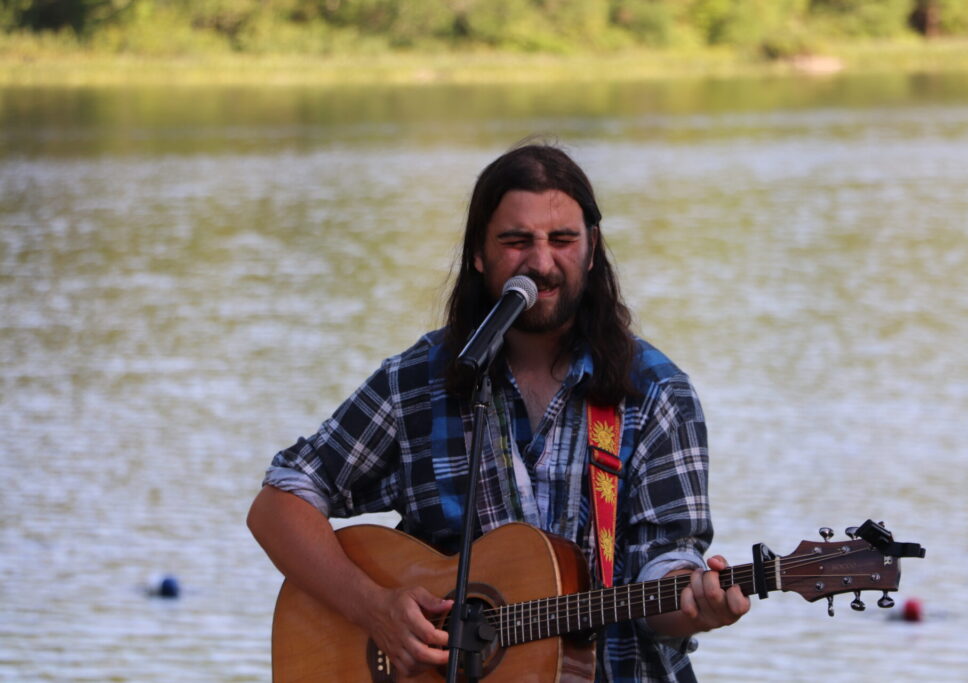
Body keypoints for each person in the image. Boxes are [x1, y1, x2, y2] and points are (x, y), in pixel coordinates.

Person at [247, 143, 750, 681]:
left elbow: (665, 569)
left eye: (562, 240)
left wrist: (697, 604)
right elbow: (278, 505)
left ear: (592, 248)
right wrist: (372, 608)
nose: (540, 263)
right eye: (516, 242)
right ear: (480, 255)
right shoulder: (419, 382)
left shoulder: (654, 393)